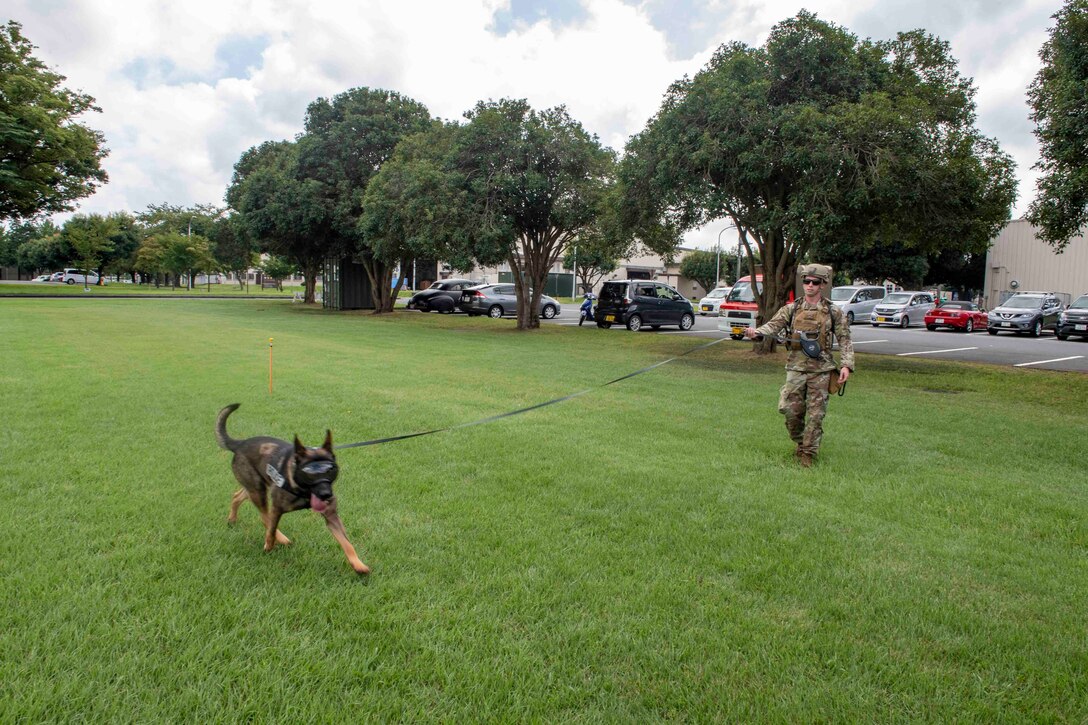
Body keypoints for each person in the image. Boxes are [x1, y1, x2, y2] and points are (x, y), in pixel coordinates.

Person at [743, 264, 854, 467]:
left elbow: (845, 339)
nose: (810, 285)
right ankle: (801, 442)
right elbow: (773, 325)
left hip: (821, 370)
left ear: (823, 285)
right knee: (790, 411)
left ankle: (808, 455)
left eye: (815, 282)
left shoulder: (833, 311)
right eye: (806, 281)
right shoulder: (792, 308)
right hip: (795, 368)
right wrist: (757, 332)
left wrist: (846, 365)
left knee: (816, 415)